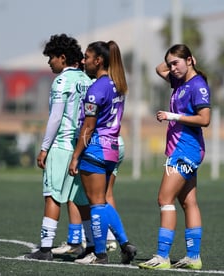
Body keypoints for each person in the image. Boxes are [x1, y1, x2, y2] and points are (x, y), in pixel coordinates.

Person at [138, 44, 211, 270]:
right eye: (170, 64)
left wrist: (173, 115)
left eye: (176, 63)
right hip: (183, 149)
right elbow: (158, 69)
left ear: (190, 60)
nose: (171, 68)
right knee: (188, 202)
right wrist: (175, 60)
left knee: (164, 199)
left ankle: (162, 257)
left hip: (185, 151)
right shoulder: (180, 82)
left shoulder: (197, 85)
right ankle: (193, 257)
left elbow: (205, 119)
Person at [24, 34, 93, 261]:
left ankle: (45, 249)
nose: (49, 62)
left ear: (63, 58)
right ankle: (92, 245)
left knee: (52, 196)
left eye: (51, 57)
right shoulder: (87, 80)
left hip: (62, 145)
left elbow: (55, 118)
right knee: (81, 199)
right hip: (81, 148)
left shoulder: (61, 82)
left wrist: (44, 148)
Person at [68, 40, 137, 265]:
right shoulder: (117, 84)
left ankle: (99, 254)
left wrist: (76, 156)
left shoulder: (96, 89)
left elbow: (87, 128)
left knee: (96, 203)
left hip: (96, 149)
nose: (83, 61)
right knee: (104, 201)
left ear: (98, 61)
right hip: (112, 150)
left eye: (87, 57)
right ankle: (125, 244)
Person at [52, 135, 125, 254]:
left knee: (75, 192)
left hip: (97, 145)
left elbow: (89, 125)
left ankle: (77, 241)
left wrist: (75, 156)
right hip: (116, 142)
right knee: (106, 194)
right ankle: (110, 238)